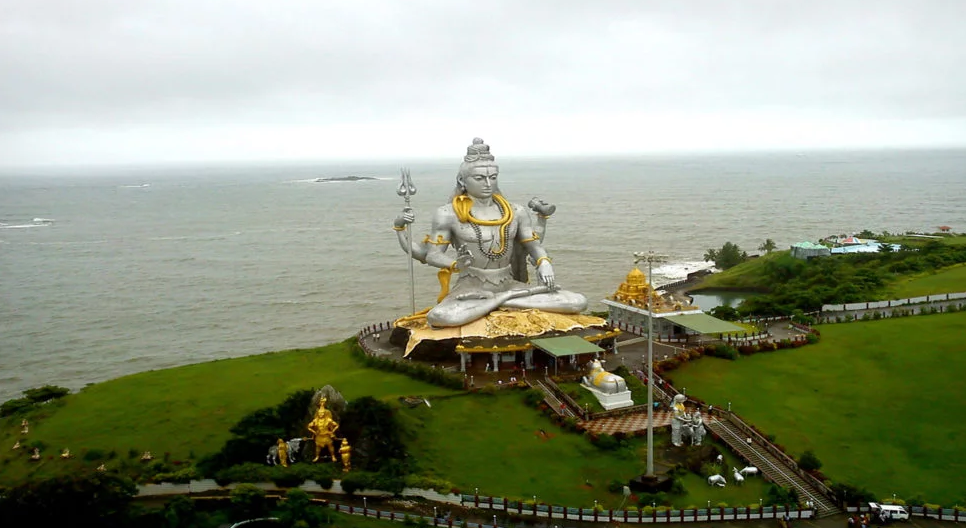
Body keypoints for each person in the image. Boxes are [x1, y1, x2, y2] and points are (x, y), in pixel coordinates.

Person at [394, 138, 587, 328]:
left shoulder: (515, 211)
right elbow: (432, 254)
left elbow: (534, 246)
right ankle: (506, 301)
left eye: (493, 178)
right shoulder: (448, 213)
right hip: (471, 288)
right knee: (441, 316)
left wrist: (544, 263)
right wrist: (455, 264)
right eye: (479, 178)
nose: (488, 184)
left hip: (509, 284)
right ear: (462, 180)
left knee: (576, 302)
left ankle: (502, 300)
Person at [307, 398, 340, 462]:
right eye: (319, 413)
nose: (320, 414)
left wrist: (332, 431)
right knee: (318, 447)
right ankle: (317, 456)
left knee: (330, 445)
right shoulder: (315, 420)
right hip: (319, 436)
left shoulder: (328, 420)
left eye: (322, 413)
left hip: (326, 435)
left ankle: (333, 456)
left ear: (325, 413)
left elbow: (337, 425)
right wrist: (314, 431)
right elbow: (308, 426)